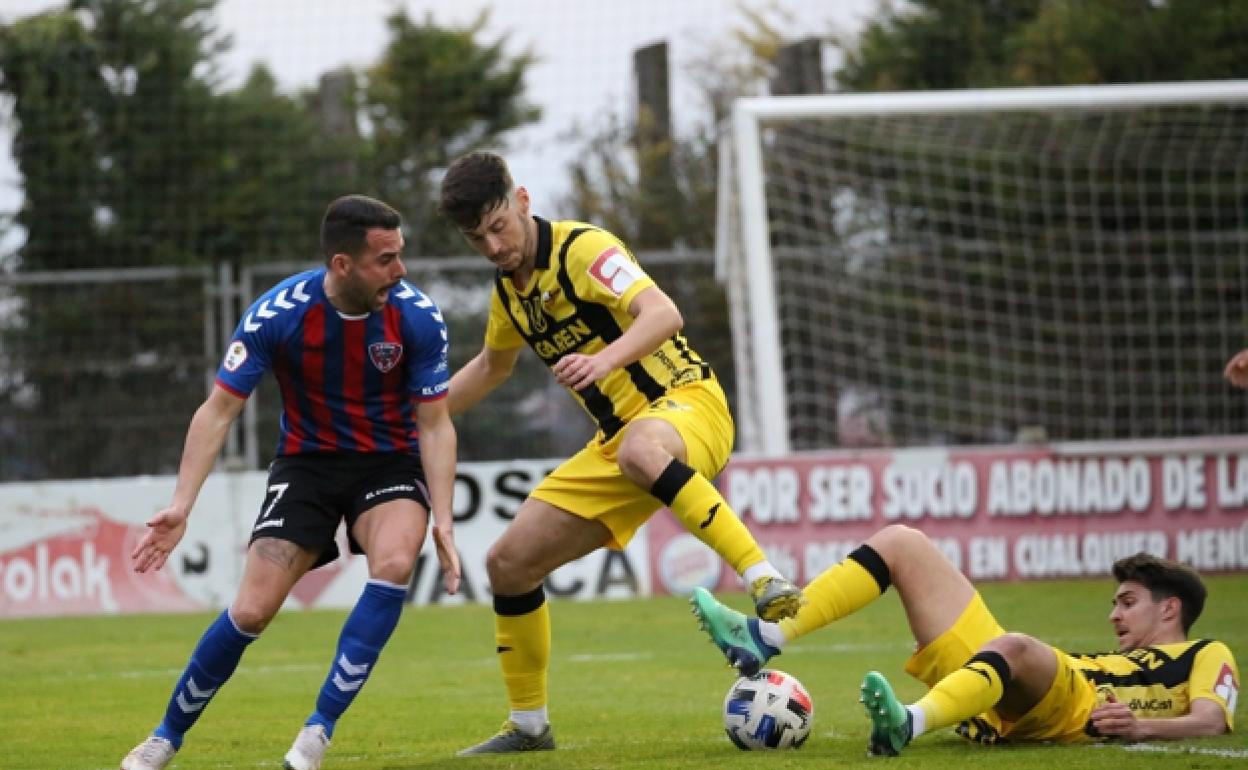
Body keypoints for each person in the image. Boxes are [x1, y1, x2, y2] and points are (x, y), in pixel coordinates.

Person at [437, 151, 803, 755]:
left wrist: (603, 361)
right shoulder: (509, 292)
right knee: (508, 563)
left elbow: (663, 313)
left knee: (640, 446)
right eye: (478, 238)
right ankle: (528, 725)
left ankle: (764, 578)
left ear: (523, 199)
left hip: (688, 403)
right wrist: (412, 415)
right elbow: (491, 368)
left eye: (499, 226)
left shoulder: (583, 249)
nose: (494, 246)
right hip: (618, 446)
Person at [120, 195, 461, 770]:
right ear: (342, 264)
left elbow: (435, 423)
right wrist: (181, 505)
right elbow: (219, 411)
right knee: (251, 612)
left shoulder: (418, 316)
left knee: (397, 562)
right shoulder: (277, 314)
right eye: (385, 259)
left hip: (389, 462)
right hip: (307, 465)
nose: (399, 271)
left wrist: (444, 519)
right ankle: (164, 737)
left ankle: (317, 733)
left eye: (400, 256)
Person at [692, 524, 1239, 755]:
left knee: (1017, 647)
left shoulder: (1205, 652)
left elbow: (1213, 720)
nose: (1114, 614)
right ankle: (766, 633)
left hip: (1073, 703)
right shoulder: (1106, 656)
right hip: (1020, 682)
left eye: (1127, 602)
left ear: (1171, 609)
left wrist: (1143, 726)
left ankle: (909, 724)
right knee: (902, 543)